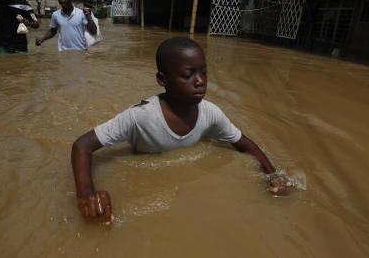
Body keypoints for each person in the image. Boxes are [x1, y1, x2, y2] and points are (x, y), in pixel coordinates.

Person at [71, 37, 292, 223]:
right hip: (148, 187)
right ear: (162, 80)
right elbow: (82, 145)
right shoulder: (140, 117)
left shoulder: (211, 113)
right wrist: (86, 194)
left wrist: (273, 176)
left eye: (203, 73)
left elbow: (245, 144)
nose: (200, 82)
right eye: (188, 74)